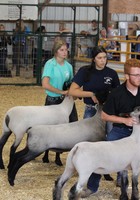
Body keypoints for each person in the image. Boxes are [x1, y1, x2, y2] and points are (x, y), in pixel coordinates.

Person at [82, 58, 140, 200]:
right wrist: (124, 120)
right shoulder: (116, 93)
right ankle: (92, 187)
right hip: (120, 131)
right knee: (102, 154)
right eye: (136, 75)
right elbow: (104, 115)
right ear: (127, 76)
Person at [68, 45, 120, 180]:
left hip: (108, 112)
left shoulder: (112, 74)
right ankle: (85, 168)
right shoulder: (85, 72)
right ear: (93, 59)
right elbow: (72, 91)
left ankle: (106, 169)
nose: (103, 60)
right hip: (91, 110)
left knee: (109, 139)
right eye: (99, 58)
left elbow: (118, 94)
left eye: (104, 57)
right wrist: (91, 94)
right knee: (87, 141)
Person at [42, 38, 78, 166]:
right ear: (56, 51)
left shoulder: (68, 66)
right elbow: (45, 84)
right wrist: (61, 92)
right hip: (53, 101)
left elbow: (71, 83)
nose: (65, 52)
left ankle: (58, 155)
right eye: (61, 50)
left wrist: (72, 91)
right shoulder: (50, 64)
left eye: (66, 50)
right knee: (50, 128)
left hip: (66, 102)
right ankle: (46, 153)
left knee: (67, 127)